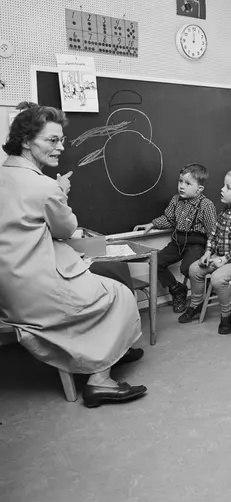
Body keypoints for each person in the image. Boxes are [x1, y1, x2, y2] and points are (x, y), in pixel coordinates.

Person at [0, 102, 146, 408]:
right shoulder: (44, 186)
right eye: (52, 140)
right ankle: (100, 380)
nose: (60, 147)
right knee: (119, 293)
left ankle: (113, 350)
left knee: (100, 283)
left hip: (10, 293)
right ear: (26, 141)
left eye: (61, 140)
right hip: (40, 292)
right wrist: (61, 192)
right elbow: (65, 229)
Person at [183, 169, 231, 334]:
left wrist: (224, 259)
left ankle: (227, 315)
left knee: (218, 278)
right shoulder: (224, 211)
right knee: (194, 269)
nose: (222, 189)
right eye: (224, 185)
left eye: (228, 187)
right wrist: (208, 253)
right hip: (221, 257)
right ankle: (196, 304)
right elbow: (213, 234)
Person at [135, 164, 217, 314]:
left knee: (187, 268)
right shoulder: (176, 200)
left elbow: (213, 232)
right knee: (156, 262)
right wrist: (152, 224)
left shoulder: (206, 205)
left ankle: (207, 288)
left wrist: (209, 251)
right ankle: (177, 289)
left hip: (196, 244)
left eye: (188, 183)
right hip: (178, 242)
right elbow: (169, 219)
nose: (182, 186)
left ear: (199, 189)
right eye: (180, 181)